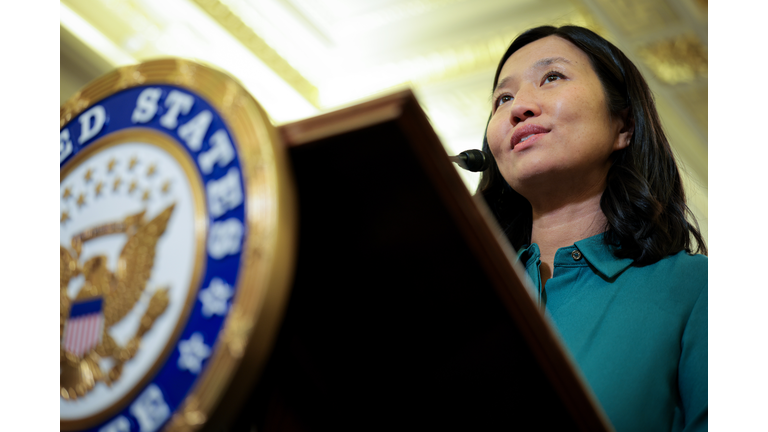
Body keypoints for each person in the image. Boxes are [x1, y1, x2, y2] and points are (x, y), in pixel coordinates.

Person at [477, 25, 707, 432]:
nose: (518, 108)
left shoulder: (701, 289)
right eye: (503, 98)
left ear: (624, 125)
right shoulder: (454, 297)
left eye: (552, 77)